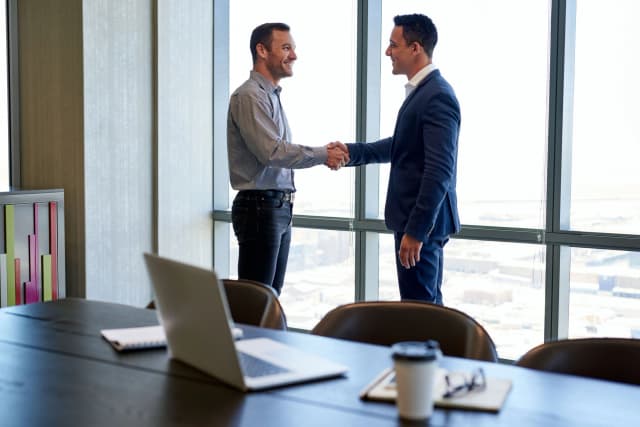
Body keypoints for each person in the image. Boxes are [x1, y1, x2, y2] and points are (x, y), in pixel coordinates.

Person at [337, 14, 460, 304]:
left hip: (421, 226)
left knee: (420, 310)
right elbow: (402, 146)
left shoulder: (437, 96)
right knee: (426, 307)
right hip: (418, 224)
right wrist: (351, 152)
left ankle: (430, 350)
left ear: (415, 48)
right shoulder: (424, 93)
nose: (387, 52)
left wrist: (416, 231)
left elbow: (440, 170)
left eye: (394, 45)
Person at [227, 22, 348, 295]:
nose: (294, 55)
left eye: (293, 48)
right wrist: (323, 154)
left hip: (276, 207)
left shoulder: (270, 96)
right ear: (261, 50)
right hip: (260, 208)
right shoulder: (249, 96)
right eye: (286, 48)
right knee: (256, 302)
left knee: (270, 297)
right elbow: (272, 152)